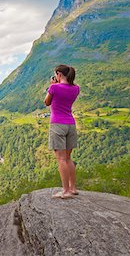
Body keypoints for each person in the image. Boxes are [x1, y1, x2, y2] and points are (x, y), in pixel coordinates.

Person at [44, 64, 80, 199]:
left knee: (61, 159)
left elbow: (47, 102)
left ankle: (65, 191)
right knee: (68, 158)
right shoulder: (76, 88)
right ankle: (73, 188)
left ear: (58, 74)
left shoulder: (54, 87)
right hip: (71, 124)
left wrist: (51, 86)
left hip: (57, 125)